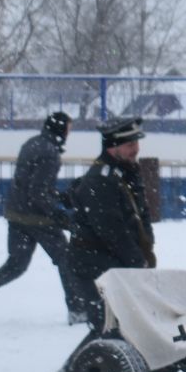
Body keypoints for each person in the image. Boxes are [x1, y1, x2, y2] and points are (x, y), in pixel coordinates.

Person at [0, 111, 91, 323]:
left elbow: (31, 184)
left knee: (17, 262)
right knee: (66, 259)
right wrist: (59, 215)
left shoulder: (32, 143)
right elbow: (37, 192)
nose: (69, 134)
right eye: (69, 129)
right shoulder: (50, 153)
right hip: (37, 218)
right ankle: (77, 309)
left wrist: (57, 196)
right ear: (61, 130)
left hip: (16, 212)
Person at [66, 114, 155, 328]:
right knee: (108, 328)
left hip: (113, 264)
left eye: (137, 143)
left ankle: (83, 363)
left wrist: (145, 251)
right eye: (130, 144)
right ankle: (76, 364)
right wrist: (137, 261)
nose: (136, 149)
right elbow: (111, 231)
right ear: (112, 147)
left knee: (118, 328)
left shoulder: (125, 172)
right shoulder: (101, 180)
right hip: (96, 267)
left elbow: (139, 216)